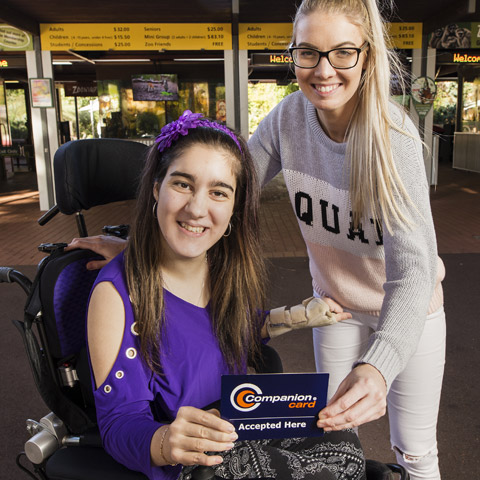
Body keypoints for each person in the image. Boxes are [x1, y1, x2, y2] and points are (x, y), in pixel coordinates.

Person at [69, 1, 445, 478]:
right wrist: (140, 248)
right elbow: (224, 186)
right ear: (293, 55)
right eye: (308, 52)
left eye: (343, 52)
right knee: (333, 428)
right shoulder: (288, 120)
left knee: (413, 450)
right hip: (336, 304)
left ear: (368, 56)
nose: (323, 70)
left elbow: (413, 272)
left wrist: (380, 365)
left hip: (409, 306)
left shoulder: (396, 140)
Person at [84, 110, 365, 480]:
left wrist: (297, 315)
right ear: (156, 189)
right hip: (192, 463)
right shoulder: (115, 294)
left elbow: (234, 333)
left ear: (233, 208)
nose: (197, 208)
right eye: (182, 184)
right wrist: (167, 439)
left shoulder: (223, 272)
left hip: (236, 429)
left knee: (348, 448)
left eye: (218, 192)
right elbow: (119, 425)